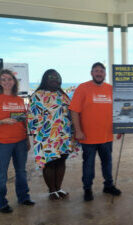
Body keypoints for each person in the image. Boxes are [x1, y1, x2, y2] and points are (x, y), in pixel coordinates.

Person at [69, 62, 121, 201]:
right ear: (91, 73)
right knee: (88, 165)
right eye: (96, 71)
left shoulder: (111, 89)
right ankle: (87, 189)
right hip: (88, 137)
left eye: (101, 71)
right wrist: (78, 130)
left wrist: (120, 128)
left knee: (107, 163)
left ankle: (108, 186)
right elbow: (74, 111)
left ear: (105, 74)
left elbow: (118, 110)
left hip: (107, 136)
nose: (99, 73)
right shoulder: (83, 88)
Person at [28, 69, 80, 200]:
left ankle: (58, 188)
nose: (54, 79)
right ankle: (52, 190)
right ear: (45, 79)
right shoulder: (37, 95)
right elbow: (31, 117)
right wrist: (35, 137)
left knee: (61, 161)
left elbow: (72, 113)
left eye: (57, 78)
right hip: (46, 137)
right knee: (50, 163)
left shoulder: (62, 95)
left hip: (64, 135)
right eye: (51, 77)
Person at [0, 69, 34, 213]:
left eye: (9, 79)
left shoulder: (20, 100)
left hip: (20, 141)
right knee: (1, 173)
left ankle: (23, 197)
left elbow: (23, 121)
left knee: (21, 171)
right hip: (3, 142)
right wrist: (2, 121)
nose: (7, 82)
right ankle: (1, 202)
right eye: (3, 79)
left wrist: (26, 139)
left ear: (14, 81)